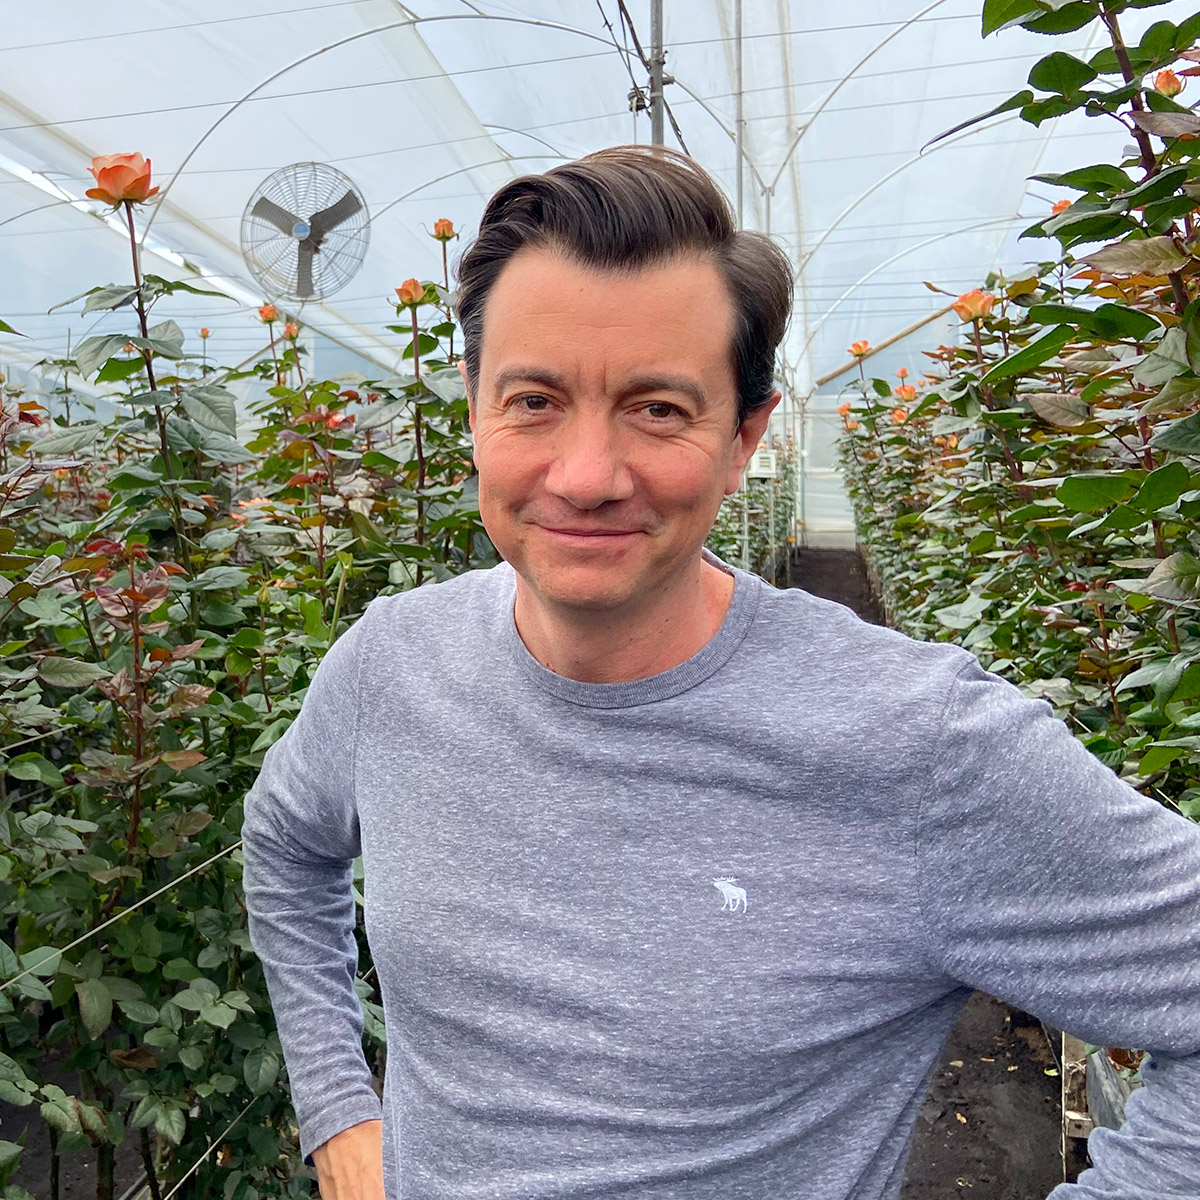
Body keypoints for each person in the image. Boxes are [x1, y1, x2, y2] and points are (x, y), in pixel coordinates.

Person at [240, 146, 1200, 1200]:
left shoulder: (921, 744)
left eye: (658, 408)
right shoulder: (392, 664)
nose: (587, 475)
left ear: (744, 437)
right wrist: (340, 1110)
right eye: (534, 400)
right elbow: (285, 843)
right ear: (474, 405)